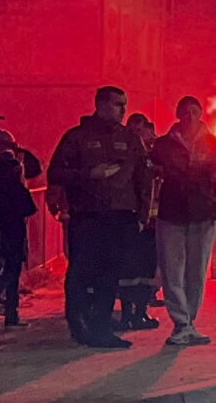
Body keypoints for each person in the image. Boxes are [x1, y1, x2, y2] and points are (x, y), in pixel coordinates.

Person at [46, 86, 151, 349]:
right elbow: (56, 172)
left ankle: (102, 328)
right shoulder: (78, 137)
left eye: (125, 104)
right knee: (82, 271)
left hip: (121, 216)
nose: (123, 110)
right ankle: (79, 324)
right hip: (88, 216)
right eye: (117, 104)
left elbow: (143, 177)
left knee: (110, 274)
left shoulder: (129, 138)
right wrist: (88, 175)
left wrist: (142, 213)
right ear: (101, 105)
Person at [149, 96, 216, 347]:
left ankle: (189, 321)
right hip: (171, 213)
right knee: (173, 269)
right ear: (178, 115)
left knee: (196, 271)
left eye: (194, 112)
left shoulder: (215, 144)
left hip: (203, 214)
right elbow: (149, 172)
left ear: (201, 114)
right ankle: (180, 323)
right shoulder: (163, 145)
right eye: (185, 112)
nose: (189, 117)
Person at [0, 109, 40, 327]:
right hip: (9, 220)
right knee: (11, 265)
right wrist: (15, 156)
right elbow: (34, 168)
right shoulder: (6, 165)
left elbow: (34, 167)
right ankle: (8, 311)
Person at [116, 112, 163, 329]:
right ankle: (127, 314)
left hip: (152, 221)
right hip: (131, 219)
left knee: (146, 271)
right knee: (128, 270)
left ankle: (140, 313)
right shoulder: (126, 155)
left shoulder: (155, 155)